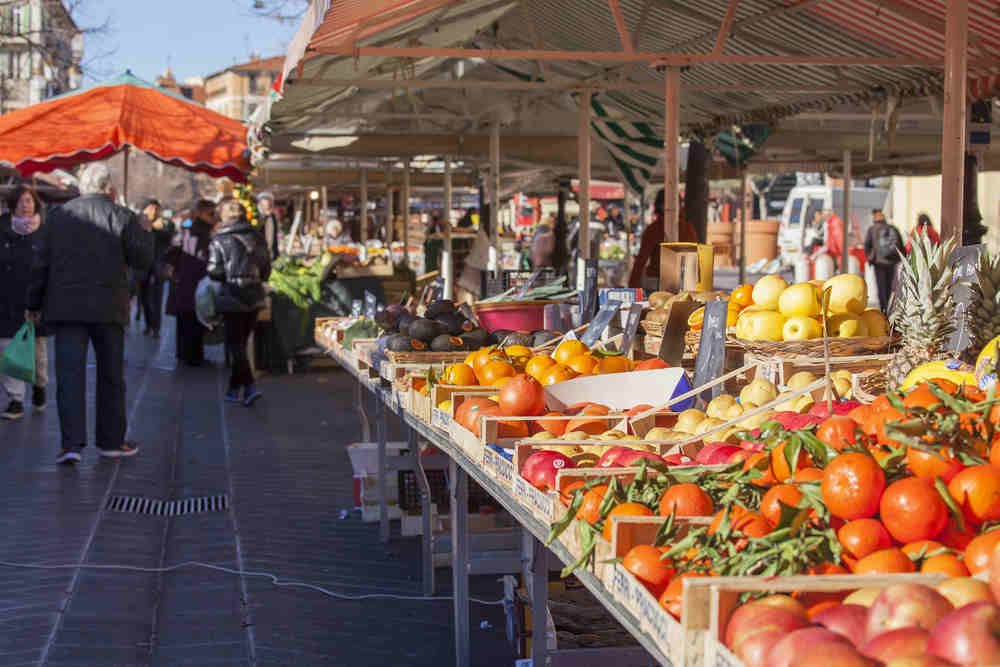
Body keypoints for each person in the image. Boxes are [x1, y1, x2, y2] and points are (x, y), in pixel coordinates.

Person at [26, 163, 153, 463]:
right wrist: (145, 231)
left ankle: (71, 444)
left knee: (69, 376)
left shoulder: (58, 217)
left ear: (82, 186)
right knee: (111, 376)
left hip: (66, 308)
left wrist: (33, 304)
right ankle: (110, 441)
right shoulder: (122, 216)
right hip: (109, 307)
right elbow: (143, 260)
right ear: (108, 186)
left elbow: (39, 264)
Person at [206, 198, 271, 406]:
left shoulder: (218, 240)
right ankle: (234, 389)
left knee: (236, 345)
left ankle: (249, 386)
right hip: (254, 295)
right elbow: (266, 270)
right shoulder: (257, 237)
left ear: (224, 216)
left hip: (232, 295)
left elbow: (214, 271)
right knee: (241, 344)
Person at [0, 186, 49, 420]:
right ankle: (15, 400)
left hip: (36, 300)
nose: (25, 205)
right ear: (12, 205)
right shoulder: (2, 227)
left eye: (28, 200)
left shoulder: (45, 232)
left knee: (37, 353)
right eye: (20, 201)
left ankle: (39, 386)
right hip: (7, 298)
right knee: (9, 350)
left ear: (35, 203)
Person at [166, 199, 215, 366]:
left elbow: (175, 247)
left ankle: (185, 354)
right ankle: (194, 357)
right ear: (202, 214)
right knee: (194, 320)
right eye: (211, 214)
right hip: (194, 280)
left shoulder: (188, 227)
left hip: (184, 281)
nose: (214, 217)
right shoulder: (199, 230)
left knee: (185, 320)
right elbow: (200, 256)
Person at [627, 189, 699, 292]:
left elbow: (641, 260)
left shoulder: (654, 229)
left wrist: (632, 287)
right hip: (681, 282)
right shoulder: (687, 228)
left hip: (661, 283)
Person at [138, 199, 174, 338]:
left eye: (156, 209)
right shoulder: (138, 222)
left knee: (157, 297)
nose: (153, 211)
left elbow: (168, 236)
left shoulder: (165, 223)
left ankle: (156, 327)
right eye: (151, 208)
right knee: (144, 297)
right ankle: (148, 323)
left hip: (159, 264)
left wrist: (154, 228)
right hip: (142, 265)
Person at [864, 209, 905, 312]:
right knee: (891, 286)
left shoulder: (872, 229)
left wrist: (870, 259)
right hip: (892, 262)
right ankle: (891, 308)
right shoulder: (893, 228)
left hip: (879, 263)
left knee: (881, 287)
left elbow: (867, 245)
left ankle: (883, 309)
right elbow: (900, 244)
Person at [257, 192, 280, 259]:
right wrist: (265, 217)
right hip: (260, 252)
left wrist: (276, 252)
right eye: (265, 203)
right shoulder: (256, 216)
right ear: (260, 204)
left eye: (270, 203)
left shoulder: (272, 216)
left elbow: (274, 235)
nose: (268, 205)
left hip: (271, 251)